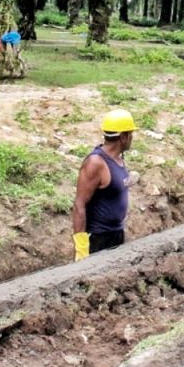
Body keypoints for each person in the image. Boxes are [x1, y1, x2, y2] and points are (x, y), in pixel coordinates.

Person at [72, 109, 136, 261]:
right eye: (131, 134)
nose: (132, 138)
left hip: (116, 234)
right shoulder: (96, 163)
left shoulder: (118, 160)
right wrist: (81, 248)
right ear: (124, 136)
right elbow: (79, 205)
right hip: (98, 239)